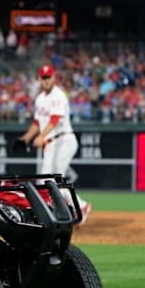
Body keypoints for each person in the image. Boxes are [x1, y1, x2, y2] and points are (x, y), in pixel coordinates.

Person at [19, 64, 92, 224]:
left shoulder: (59, 96)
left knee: (56, 177)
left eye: (48, 77)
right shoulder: (40, 99)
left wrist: (40, 136)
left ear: (53, 77)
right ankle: (52, 213)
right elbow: (37, 122)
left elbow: (54, 120)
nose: (46, 80)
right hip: (50, 143)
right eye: (43, 77)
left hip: (64, 139)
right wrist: (26, 137)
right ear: (40, 79)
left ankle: (80, 206)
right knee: (43, 181)